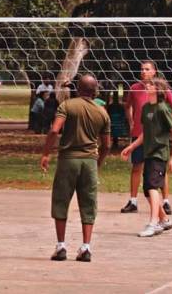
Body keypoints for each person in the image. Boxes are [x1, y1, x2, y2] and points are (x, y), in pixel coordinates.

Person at [39, 74, 111, 263]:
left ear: (78, 89)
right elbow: (107, 145)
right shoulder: (102, 112)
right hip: (89, 162)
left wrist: (46, 153)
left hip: (68, 160)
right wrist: (98, 162)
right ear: (95, 90)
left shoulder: (67, 106)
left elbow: (55, 130)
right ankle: (86, 247)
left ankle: (61, 245)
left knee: (61, 201)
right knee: (88, 203)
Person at [120, 60, 172, 215]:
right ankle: (133, 201)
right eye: (142, 69)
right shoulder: (135, 88)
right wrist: (131, 121)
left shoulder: (160, 90)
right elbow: (127, 106)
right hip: (139, 135)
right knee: (137, 167)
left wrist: (166, 125)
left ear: (154, 72)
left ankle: (165, 202)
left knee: (159, 169)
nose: (143, 71)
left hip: (156, 138)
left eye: (147, 69)